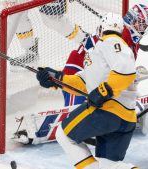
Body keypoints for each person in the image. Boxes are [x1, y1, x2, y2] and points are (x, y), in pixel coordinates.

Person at [36, 13, 139, 169]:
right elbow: (84, 83)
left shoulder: (110, 42)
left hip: (108, 112)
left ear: (100, 29)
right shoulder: (102, 51)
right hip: (126, 118)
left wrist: (104, 91)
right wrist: (56, 78)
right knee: (108, 165)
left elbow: (125, 70)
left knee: (64, 135)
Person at [62, 3, 148, 107]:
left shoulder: (131, 38)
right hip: (78, 68)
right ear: (131, 19)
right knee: (74, 111)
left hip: (91, 70)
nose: (143, 29)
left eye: (145, 26)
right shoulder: (122, 35)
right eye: (141, 24)